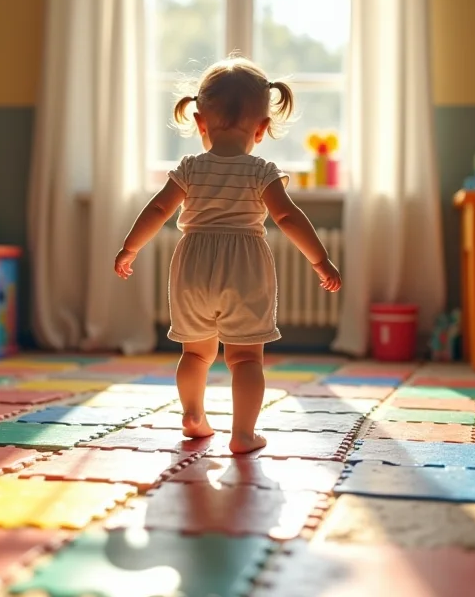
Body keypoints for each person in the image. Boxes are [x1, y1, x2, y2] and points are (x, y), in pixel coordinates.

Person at [114, 56, 341, 453]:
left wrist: (130, 248)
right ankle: (244, 434)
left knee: (195, 353)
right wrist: (320, 260)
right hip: (245, 268)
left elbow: (157, 210)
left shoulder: (189, 168)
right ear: (262, 128)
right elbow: (288, 217)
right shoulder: (261, 171)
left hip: (192, 266)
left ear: (200, 122)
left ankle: (192, 414)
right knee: (246, 359)